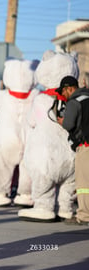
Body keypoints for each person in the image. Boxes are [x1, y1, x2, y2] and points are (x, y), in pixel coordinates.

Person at [56, 76, 89, 225]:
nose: (63, 96)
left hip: (85, 146)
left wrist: (62, 121)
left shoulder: (74, 102)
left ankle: (84, 216)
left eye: (63, 92)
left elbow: (69, 124)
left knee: (83, 184)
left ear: (69, 88)